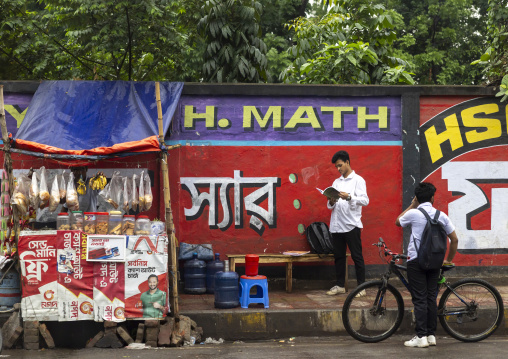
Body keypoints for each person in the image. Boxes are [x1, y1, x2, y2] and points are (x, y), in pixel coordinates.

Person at [396, 182, 458, 348]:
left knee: (419, 298)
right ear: (432, 197)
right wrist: (448, 260)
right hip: (435, 262)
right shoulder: (441, 215)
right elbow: (455, 239)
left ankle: (421, 336)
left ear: (417, 197)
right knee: (431, 297)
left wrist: (412, 204)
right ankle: (431, 335)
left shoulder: (414, 214)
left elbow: (397, 221)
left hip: (416, 260)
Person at [326, 150, 369, 296]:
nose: (338, 169)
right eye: (336, 167)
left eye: (340, 165)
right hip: (337, 224)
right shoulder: (336, 182)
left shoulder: (358, 180)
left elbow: (365, 200)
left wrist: (350, 197)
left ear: (347, 162)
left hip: (351, 224)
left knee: (357, 256)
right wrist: (331, 201)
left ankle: (361, 287)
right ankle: (340, 285)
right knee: (338, 256)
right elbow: (332, 205)